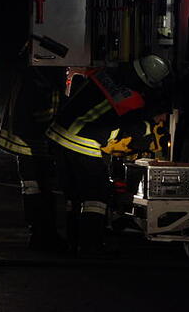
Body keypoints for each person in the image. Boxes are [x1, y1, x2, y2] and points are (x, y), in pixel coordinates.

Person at [46, 54, 171, 257]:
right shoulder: (133, 99)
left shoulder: (106, 74)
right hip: (82, 142)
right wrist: (151, 126)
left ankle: (73, 243)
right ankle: (90, 247)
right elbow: (130, 128)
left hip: (57, 134)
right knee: (96, 197)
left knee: (74, 196)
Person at [0, 54, 66, 251]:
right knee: (42, 188)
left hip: (25, 142)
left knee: (32, 188)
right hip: (35, 143)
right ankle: (45, 235)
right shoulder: (42, 78)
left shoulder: (28, 73)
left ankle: (38, 234)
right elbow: (44, 114)